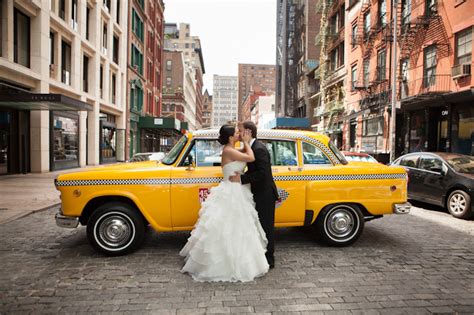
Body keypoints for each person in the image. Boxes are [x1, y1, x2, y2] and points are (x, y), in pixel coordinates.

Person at [179, 124, 269, 282]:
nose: (238, 134)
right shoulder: (228, 150)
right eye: (236, 133)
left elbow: (248, 155)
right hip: (231, 190)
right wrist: (247, 142)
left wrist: (247, 143)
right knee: (229, 226)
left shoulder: (233, 149)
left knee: (238, 227)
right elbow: (251, 158)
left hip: (236, 189)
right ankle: (224, 264)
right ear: (230, 137)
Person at [229, 121, 279, 269]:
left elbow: (263, 173)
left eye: (240, 130)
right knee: (258, 226)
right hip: (256, 191)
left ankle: (269, 259)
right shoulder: (251, 147)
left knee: (266, 226)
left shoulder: (259, 148)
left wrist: (242, 178)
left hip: (264, 193)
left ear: (248, 132)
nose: (238, 132)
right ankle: (260, 256)